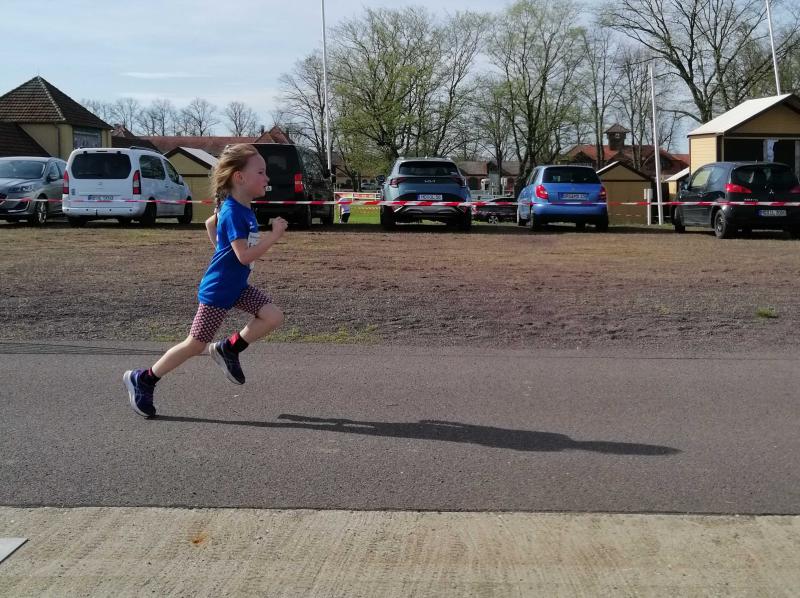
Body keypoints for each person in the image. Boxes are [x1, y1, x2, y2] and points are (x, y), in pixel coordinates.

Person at [123, 144, 287, 418]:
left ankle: (228, 348)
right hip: (219, 289)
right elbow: (244, 256)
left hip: (236, 286)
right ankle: (144, 379)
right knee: (195, 344)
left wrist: (221, 252)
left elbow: (210, 223)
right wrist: (274, 235)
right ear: (239, 177)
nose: (266, 178)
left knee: (273, 316)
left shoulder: (239, 208)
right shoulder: (234, 211)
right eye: (261, 172)